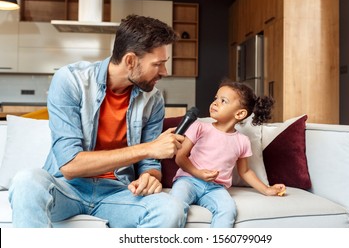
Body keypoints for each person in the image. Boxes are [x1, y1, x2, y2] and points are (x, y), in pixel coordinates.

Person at [8, 14, 186, 228]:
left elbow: (149, 163)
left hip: (117, 191)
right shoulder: (70, 80)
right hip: (67, 188)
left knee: (169, 209)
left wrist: (150, 176)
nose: (164, 72)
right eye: (158, 64)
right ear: (130, 61)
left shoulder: (153, 99)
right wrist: (148, 149)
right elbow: (69, 165)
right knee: (26, 181)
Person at [170, 80, 286, 228]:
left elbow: (245, 171)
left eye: (223, 101)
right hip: (188, 180)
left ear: (239, 113)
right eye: (215, 98)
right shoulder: (199, 127)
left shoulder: (242, 141)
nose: (215, 103)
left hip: (215, 188)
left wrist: (267, 189)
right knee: (175, 205)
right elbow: (180, 157)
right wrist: (198, 173)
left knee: (228, 210)